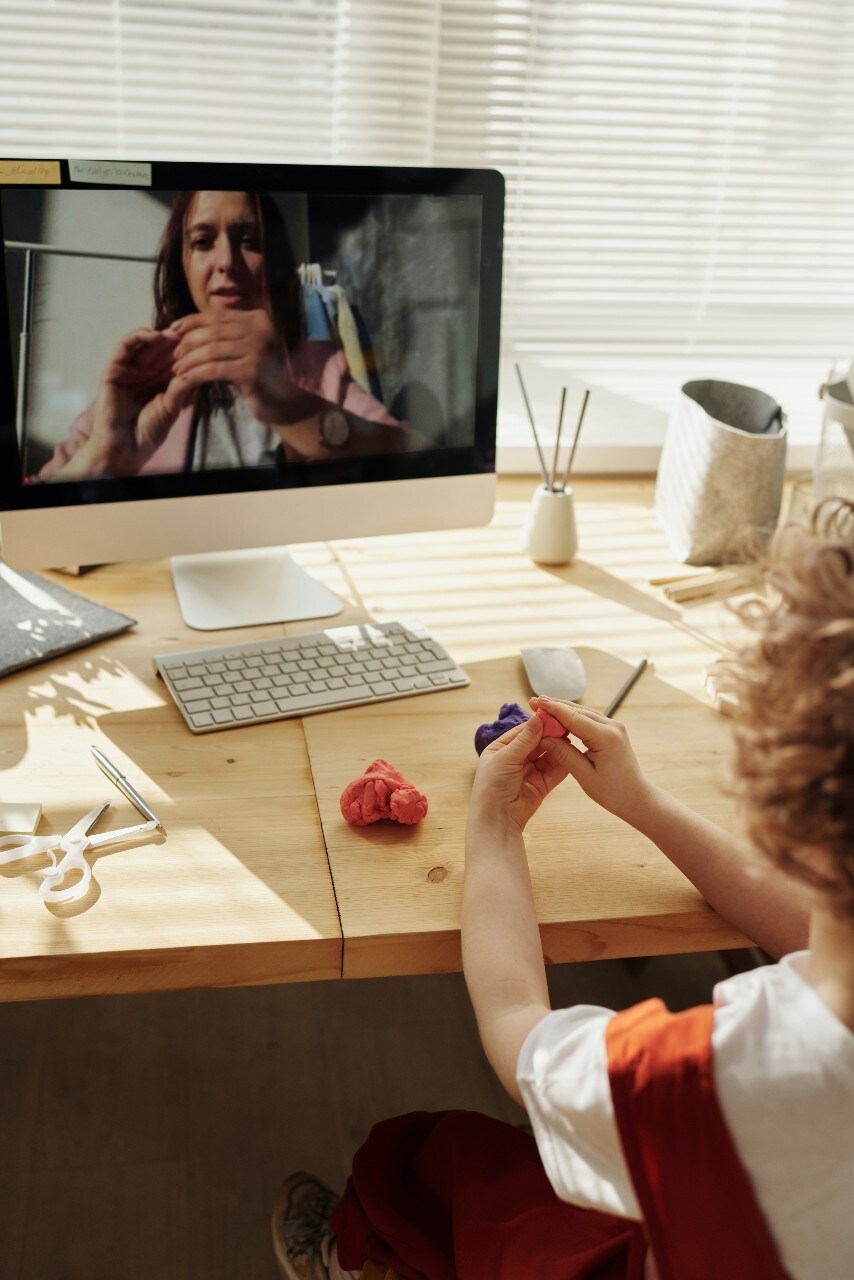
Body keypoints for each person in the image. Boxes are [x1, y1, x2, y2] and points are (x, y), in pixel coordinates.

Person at [272, 498, 854, 1280]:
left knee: (430, 1160)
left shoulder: (701, 1085)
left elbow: (517, 1026)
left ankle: (356, 1258)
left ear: (784, 820)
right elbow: (817, 940)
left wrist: (494, 827)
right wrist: (644, 806)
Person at [37, 190, 425, 481]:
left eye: (250, 242)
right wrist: (104, 459)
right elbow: (20, 527)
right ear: (182, 264)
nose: (227, 262)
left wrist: (294, 411)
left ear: (274, 262)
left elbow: (426, 461)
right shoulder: (145, 374)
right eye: (203, 242)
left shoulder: (317, 365)